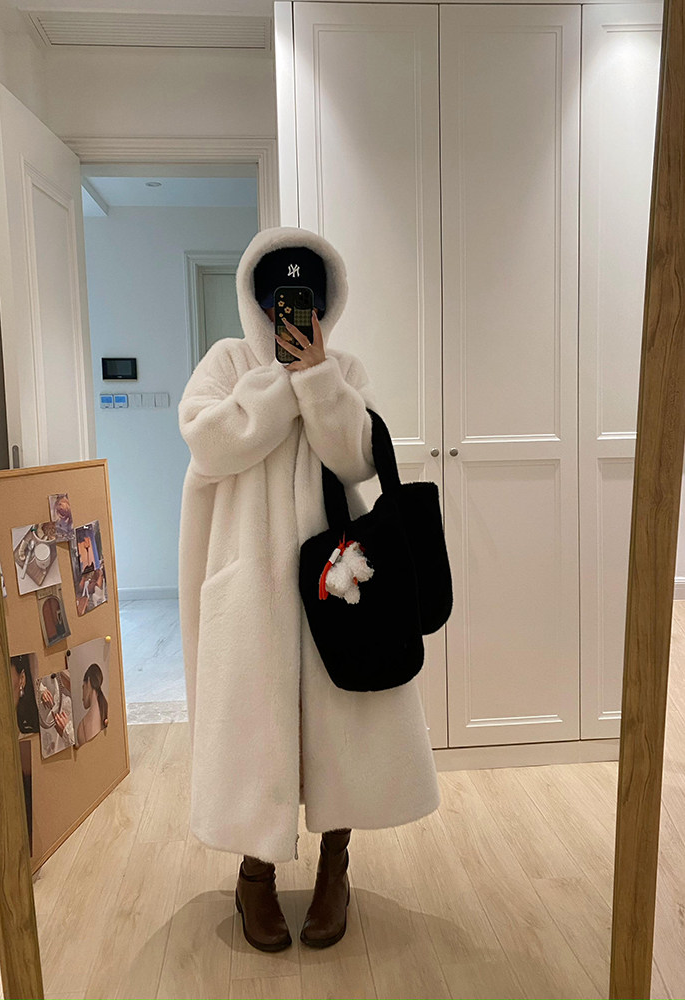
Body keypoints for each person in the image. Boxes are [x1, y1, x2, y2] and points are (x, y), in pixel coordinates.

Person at [177, 225, 440, 952]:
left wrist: (319, 378)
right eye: (278, 304)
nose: (289, 318)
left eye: (304, 304)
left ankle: (334, 866)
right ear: (258, 304)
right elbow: (208, 442)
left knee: (340, 717)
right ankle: (254, 874)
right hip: (249, 581)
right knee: (251, 725)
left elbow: (356, 459)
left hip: (333, 576)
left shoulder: (343, 368)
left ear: (325, 307)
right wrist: (280, 381)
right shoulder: (228, 362)